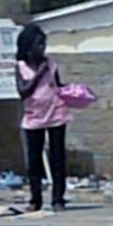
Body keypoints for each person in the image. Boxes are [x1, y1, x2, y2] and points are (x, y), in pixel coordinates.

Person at [15, 23, 71, 212]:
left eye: (44, 45)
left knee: (58, 158)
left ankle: (58, 199)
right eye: (38, 45)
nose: (42, 49)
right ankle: (35, 199)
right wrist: (38, 75)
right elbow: (23, 91)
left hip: (56, 113)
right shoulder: (22, 67)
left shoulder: (51, 64)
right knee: (34, 161)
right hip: (34, 117)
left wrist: (71, 92)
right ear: (28, 48)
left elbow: (58, 84)